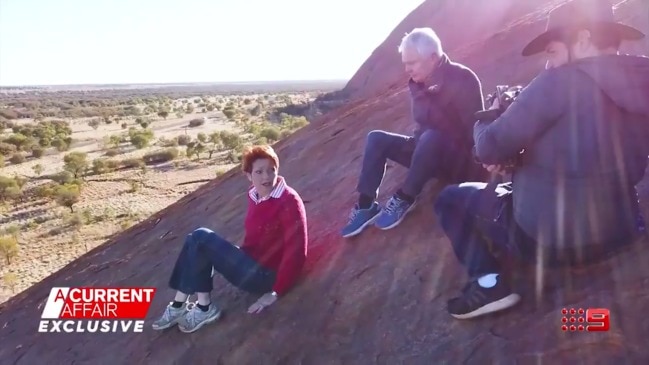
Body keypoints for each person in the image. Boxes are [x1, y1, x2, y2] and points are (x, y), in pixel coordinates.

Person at [434, 0, 649, 320]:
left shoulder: (560, 81)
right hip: (625, 229)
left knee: (449, 199)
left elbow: (488, 148)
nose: (548, 65)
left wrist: (487, 118)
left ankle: (489, 283)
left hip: (551, 242)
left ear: (583, 39)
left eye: (551, 52)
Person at [341, 27, 487, 238]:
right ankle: (366, 205)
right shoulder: (418, 84)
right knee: (376, 138)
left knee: (431, 137)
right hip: (427, 153)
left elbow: (474, 132)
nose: (407, 69)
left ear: (433, 58)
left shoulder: (462, 78)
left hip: (460, 162)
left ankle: (405, 197)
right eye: (405, 64)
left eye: (412, 63)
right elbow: (423, 126)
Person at [151, 145, 308, 333]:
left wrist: (275, 292)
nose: (266, 177)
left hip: (265, 276)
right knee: (196, 240)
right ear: (249, 176)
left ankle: (203, 309)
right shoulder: (254, 194)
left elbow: (297, 250)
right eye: (259, 172)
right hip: (249, 263)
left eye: (271, 170)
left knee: (201, 237)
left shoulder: (288, 201)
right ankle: (179, 305)